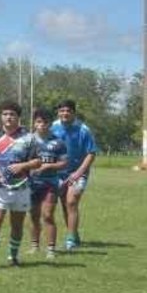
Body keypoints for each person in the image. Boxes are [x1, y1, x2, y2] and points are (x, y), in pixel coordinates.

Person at [0, 101, 42, 269]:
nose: (8, 117)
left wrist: (23, 166)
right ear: (1, 116)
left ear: (18, 118)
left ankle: (13, 257)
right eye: (5, 114)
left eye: (12, 114)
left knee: (17, 224)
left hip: (21, 187)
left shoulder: (28, 137)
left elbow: (38, 161)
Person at [52, 99, 98, 251]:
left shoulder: (83, 129)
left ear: (73, 113)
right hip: (57, 173)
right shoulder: (52, 127)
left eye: (68, 111)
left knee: (71, 202)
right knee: (65, 205)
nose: (65, 113)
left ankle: (70, 240)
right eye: (62, 111)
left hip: (78, 172)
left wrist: (79, 172)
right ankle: (74, 234)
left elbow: (91, 153)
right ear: (58, 113)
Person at [26, 108, 67, 259]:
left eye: (45, 122)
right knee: (34, 215)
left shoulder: (58, 142)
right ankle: (34, 245)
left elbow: (64, 163)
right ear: (34, 123)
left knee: (48, 215)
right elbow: (21, 160)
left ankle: (51, 249)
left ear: (50, 124)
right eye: (38, 122)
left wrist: (49, 166)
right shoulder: (28, 140)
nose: (42, 125)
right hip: (31, 183)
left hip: (50, 183)